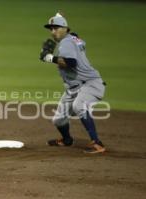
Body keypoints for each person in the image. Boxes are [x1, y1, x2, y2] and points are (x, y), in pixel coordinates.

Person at [41, 13, 106, 154]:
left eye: (56, 28)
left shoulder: (66, 42)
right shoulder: (73, 39)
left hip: (90, 83)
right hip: (73, 88)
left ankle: (97, 143)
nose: (53, 32)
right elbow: (79, 39)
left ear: (65, 28)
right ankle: (67, 140)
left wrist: (49, 57)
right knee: (58, 120)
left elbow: (71, 63)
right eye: (51, 29)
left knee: (79, 106)